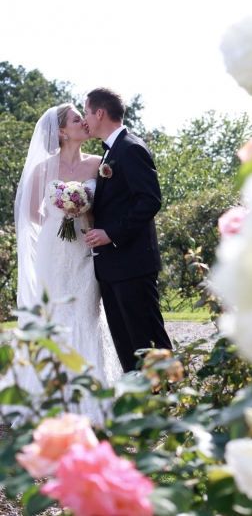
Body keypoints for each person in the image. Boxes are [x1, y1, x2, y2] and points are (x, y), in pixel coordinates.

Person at [7, 103, 123, 424]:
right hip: (54, 250)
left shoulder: (99, 164)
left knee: (86, 313)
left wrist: (82, 214)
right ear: (61, 130)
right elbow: (30, 212)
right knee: (55, 313)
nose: (83, 123)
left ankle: (93, 399)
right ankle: (48, 396)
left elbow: (107, 208)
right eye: (76, 120)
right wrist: (63, 214)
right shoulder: (44, 167)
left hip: (86, 249)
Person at [83, 88, 173, 373]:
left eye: (86, 112)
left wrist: (111, 233)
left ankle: (171, 403)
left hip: (133, 264)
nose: (85, 119)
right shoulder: (111, 152)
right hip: (111, 267)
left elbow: (150, 200)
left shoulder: (130, 148)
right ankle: (143, 405)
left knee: (148, 340)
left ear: (100, 113)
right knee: (125, 343)